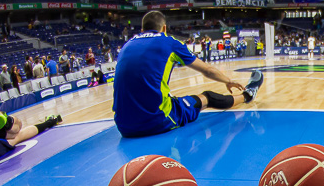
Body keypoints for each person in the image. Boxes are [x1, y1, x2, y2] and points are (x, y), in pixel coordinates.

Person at [111, 10, 264, 138]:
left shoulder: (126, 45)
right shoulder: (169, 42)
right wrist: (227, 81)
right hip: (156, 120)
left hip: (123, 126)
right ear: (164, 28)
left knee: (168, 97)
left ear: (142, 29)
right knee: (207, 97)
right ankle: (248, 94)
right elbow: (207, 70)